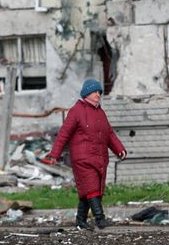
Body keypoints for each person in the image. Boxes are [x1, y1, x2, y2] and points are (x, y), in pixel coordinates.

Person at [42, 79, 127, 230]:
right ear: (87, 93)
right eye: (95, 92)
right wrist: (54, 154)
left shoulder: (100, 112)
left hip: (99, 157)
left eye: (99, 92)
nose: (98, 95)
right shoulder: (76, 111)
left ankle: (80, 220)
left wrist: (119, 149)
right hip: (82, 158)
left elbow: (110, 134)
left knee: (89, 191)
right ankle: (100, 219)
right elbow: (63, 134)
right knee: (92, 188)